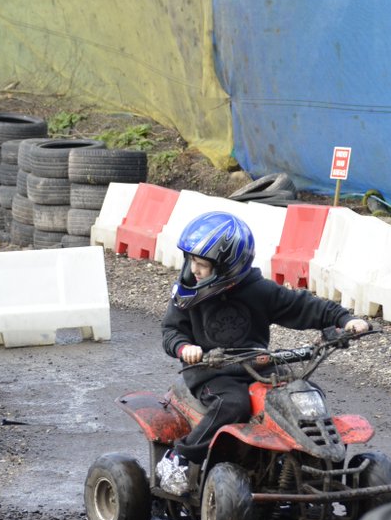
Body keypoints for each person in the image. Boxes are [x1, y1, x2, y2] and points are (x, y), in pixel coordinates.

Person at [156, 210, 369, 495]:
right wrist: (186, 348)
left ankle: (316, 465)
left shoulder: (258, 290)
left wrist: (344, 320)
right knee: (234, 404)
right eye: (192, 261)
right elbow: (172, 331)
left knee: (307, 393)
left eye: (202, 264)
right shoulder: (187, 295)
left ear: (228, 266)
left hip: (258, 367)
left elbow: (304, 306)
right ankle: (183, 456)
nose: (194, 269)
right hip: (211, 372)